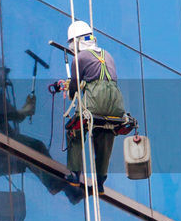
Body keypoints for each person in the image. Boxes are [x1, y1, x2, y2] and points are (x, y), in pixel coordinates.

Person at [50, 20, 125, 196]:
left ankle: (76, 174)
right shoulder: (108, 55)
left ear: (76, 42)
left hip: (96, 99)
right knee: (105, 132)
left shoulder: (79, 58)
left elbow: (76, 86)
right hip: (116, 101)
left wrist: (68, 90)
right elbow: (99, 79)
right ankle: (99, 182)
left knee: (74, 128)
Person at [0, 53, 65, 195]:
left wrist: (26, 109)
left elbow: (11, 115)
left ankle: (57, 185)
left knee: (31, 149)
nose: (5, 76)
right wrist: (27, 109)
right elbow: (14, 115)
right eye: (2, 72)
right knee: (35, 147)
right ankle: (54, 184)